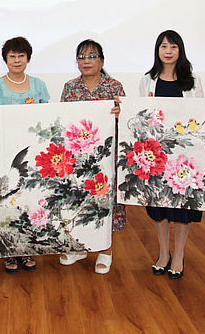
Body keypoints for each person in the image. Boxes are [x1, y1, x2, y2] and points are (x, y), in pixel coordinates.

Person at [139, 30, 204, 280]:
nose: (168, 51)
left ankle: (179, 255)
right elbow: (143, 114)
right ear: (157, 50)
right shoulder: (148, 79)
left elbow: (200, 114)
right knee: (159, 206)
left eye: (173, 47)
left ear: (180, 50)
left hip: (184, 154)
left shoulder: (193, 80)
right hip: (156, 155)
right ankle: (163, 253)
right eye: (164, 46)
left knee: (182, 207)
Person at [0, 36, 49, 274]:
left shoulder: (39, 86)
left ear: (28, 58)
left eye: (21, 55)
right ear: (5, 59)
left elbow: (46, 118)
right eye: (12, 56)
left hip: (32, 153)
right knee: (7, 202)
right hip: (4, 154)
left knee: (30, 200)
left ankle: (27, 248)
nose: (17, 60)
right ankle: (9, 251)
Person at [60, 39, 124, 274]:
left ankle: (105, 250)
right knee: (78, 199)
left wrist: (121, 113)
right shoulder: (70, 87)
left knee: (105, 201)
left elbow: (126, 119)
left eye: (92, 56)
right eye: (82, 57)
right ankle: (79, 247)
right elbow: (64, 121)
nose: (86, 61)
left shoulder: (114, 86)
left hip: (106, 156)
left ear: (102, 61)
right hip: (79, 158)